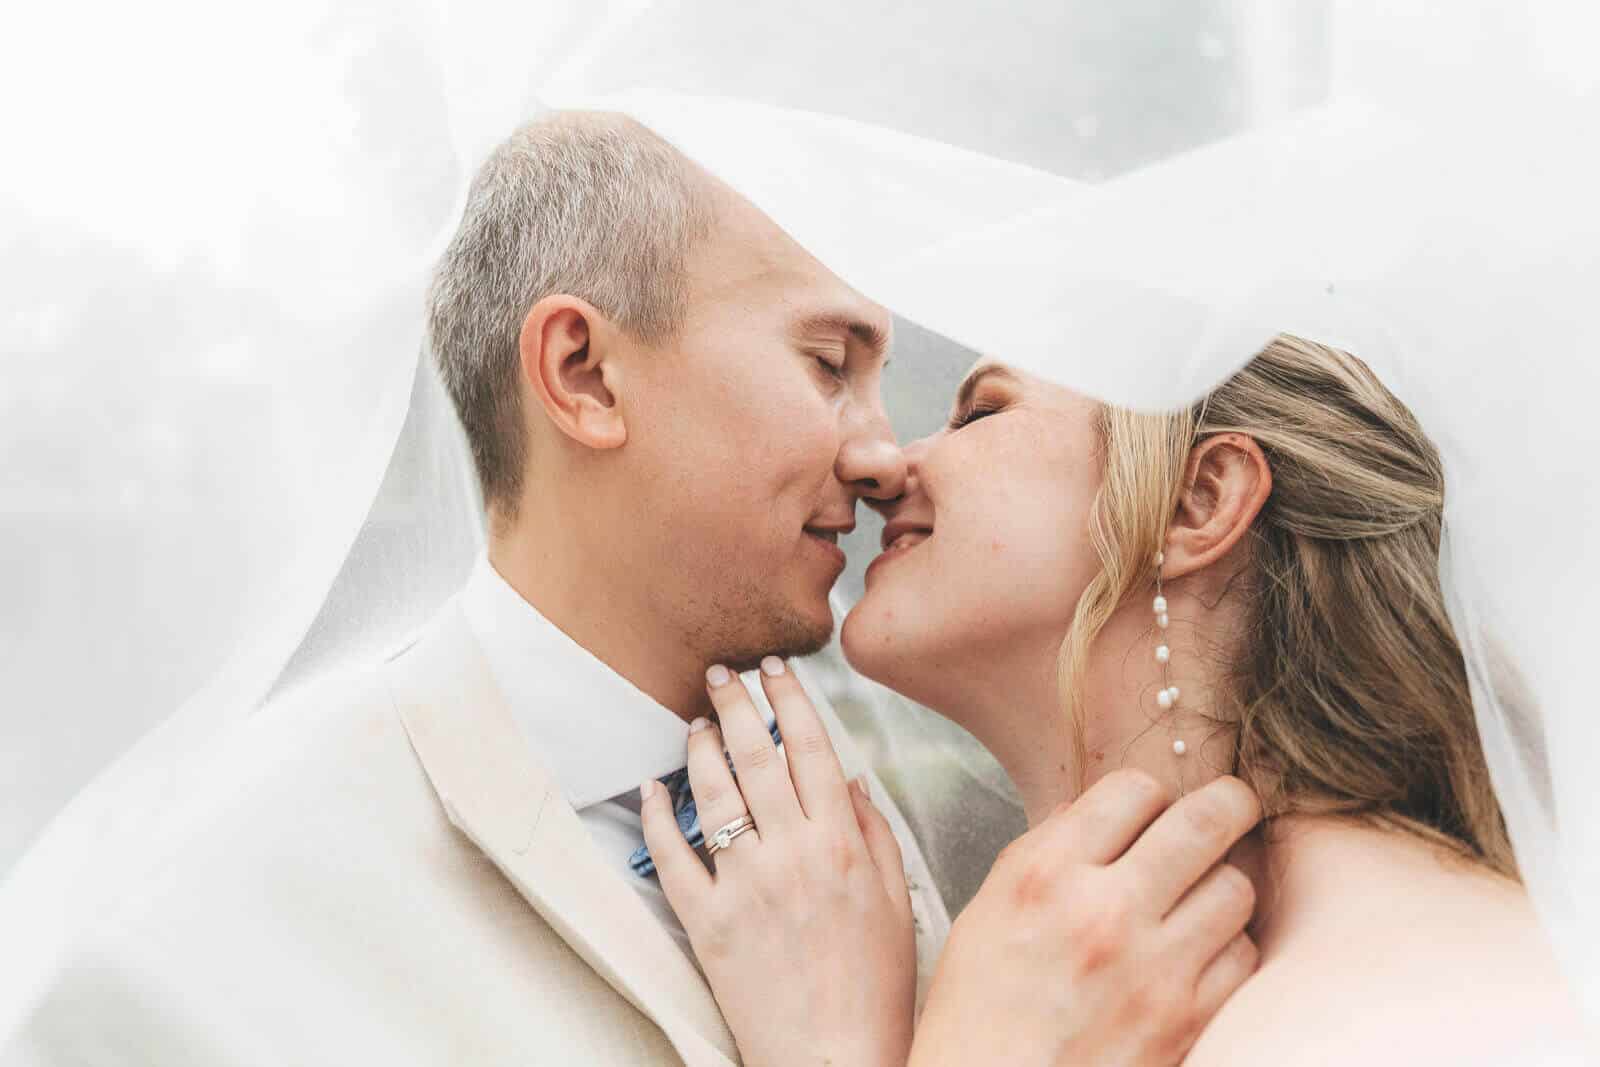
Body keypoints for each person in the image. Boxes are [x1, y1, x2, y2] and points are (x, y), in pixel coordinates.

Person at [4, 112, 1258, 1066]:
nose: (884, 453)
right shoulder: (186, 935)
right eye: (829, 362)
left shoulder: (877, 812)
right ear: (585, 374)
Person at [644, 335, 1589, 1065]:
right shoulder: (1041, 966)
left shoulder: (1425, 1002)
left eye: (981, 413)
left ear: (1197, 500)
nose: (889, 466)